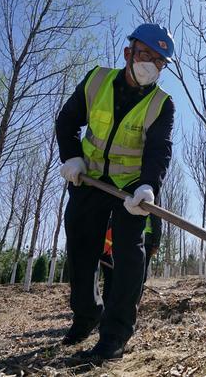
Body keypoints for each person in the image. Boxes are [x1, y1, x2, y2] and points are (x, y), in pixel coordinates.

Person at [56, 23, 175, 360]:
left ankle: (115, 335)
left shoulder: (162, 104)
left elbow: (159, 149)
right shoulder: (96, 80)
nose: (150, 64)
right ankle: (86, 315)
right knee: (80, 251)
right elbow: (67, 121)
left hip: (130, 191)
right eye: (144, 55)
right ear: (128, 53)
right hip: (89, 179)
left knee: (128, 258)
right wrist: (72, 158)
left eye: (159, 61)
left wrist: (149, 186)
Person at [101, 215, 162, 304]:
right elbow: (156, 218)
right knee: (135, 277)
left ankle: (121, 306)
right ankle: (125, 307)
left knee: (120, 276)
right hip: (140, 239)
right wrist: (156, 242)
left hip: (133, 238)